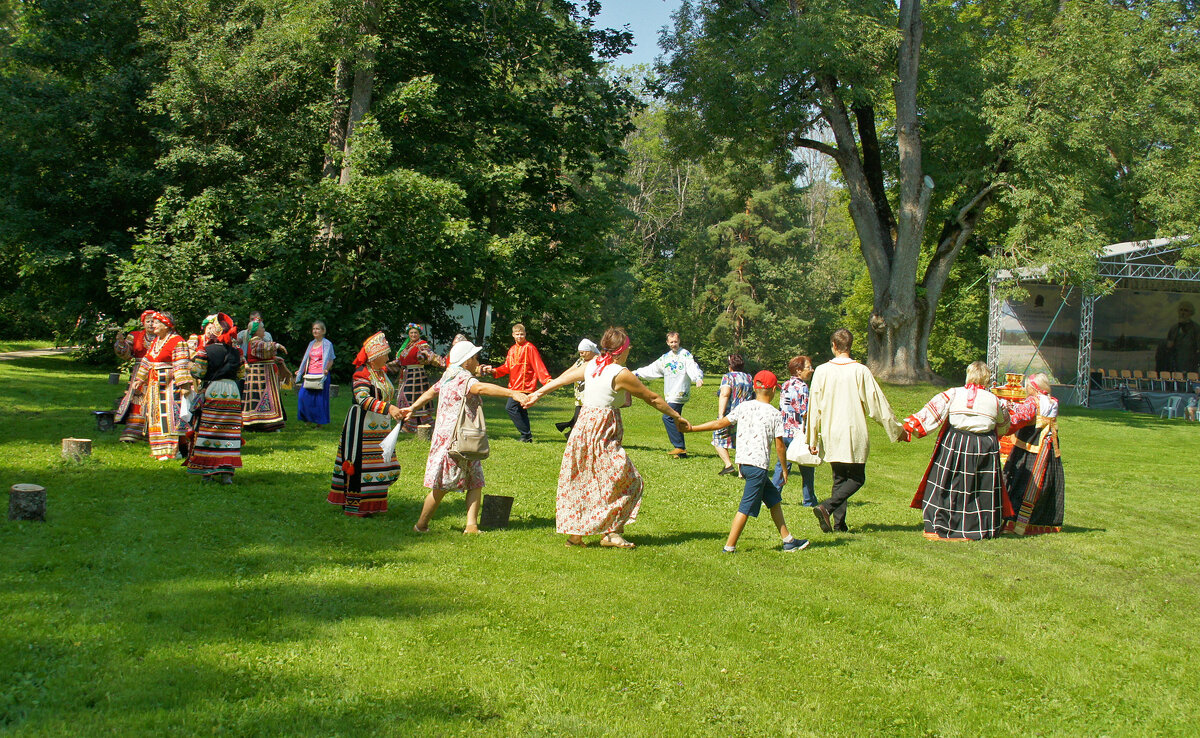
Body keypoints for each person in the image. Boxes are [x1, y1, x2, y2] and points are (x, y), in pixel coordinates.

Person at [526, 327, 687, 548]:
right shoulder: (619, 373)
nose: (630, 349)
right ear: (621, 350)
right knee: (629, 480)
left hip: (582, 428)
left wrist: (538, 393)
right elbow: (652, 397)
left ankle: (578, 535)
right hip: (601, 431)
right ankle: (611, 533)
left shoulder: (592, 365)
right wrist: (676, 415)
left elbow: (563, 379)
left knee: (583, 479)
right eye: (628, 346)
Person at [405, 341, 530, 534]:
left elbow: (431, 392)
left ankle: (471, 526)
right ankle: (421, 524)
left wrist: (413, 407)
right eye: (474, 357)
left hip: (453, 439)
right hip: (458, 440)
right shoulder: (464, 378)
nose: (477, 360)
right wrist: (513, 393)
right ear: (466, 362)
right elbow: (480, 389)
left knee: (474, 481)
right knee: (442, 486)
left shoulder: (448, 376)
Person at [681, 370, 810, 553]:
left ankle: (788, 540)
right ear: (774, 390)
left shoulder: (744, 407)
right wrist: (784, 468)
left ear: (755, 388)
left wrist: (692, 428)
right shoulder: (775, 414)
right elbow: (780, 446)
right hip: (758, 467)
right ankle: (729, 546)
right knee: (746, 506)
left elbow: (720, 423)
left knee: (773, 499)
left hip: (745, 464)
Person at [901, 361, 1013, 541]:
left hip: (956, 442)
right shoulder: (995, 400)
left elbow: (931, 414)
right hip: (984, 446)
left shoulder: (953, 393)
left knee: (947, 483)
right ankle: (978, 526)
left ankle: (939, 524)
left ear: (969, 375)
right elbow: (1004, 426)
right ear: (986, 378)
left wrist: (909, 428)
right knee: (980, 488)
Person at [807, 329, 904, 533]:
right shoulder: (860, 370)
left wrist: (812, 437)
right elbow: (877, 404)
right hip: (853, 429)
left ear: (833, 345)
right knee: (857, 478)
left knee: (840, 478)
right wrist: (896, 429)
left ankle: (839, 524)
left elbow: (813, 405)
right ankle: (827, 507)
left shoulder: (822, 371)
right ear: (849, 346)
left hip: (831, 429)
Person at [328, 332, 405, 517]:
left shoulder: (381, 373)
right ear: (375, 357)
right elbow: (362, 399)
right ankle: (356, 507)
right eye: (385, 354)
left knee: (380, 464)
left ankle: (373, 505)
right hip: (361, 426)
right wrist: (389, 408)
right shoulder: (361, 375)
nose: (387, 357)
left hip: (380, 427)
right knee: (360, 464)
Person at [1002, 373, 1065, 535]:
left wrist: (1002, 423)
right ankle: (1043, 523)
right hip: (1047, 449)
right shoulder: (1053, 401)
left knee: (1022, 483)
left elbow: (1020, 418)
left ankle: (1015, 522)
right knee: (1045, 483)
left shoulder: (1033, 401)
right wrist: (1011, 405)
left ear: (1032, 387)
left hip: (1028, 450)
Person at [185, 314, 243, 484]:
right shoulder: (237, 352)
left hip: (214, 389)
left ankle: (207, 472)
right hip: (232, 392)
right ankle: (227, 473)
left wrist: (191, 367)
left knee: (210, 428)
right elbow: (241, 374)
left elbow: (199, 372)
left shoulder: (205, 350)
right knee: (229, 430)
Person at [633, 331, 705, 458]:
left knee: (668, 417)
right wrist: (636, 373)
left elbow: (692, 366)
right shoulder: (665, 357)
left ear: (679, 341)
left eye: (676, 342)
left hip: (681, 391)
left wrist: (697, 377)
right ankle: (681, 451)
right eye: (671, 342)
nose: (674, 344)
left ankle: (679, 446)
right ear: (667, 343)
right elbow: (653, 368)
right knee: (676, 418)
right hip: (670, 392)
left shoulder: (685, 354)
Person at [132, 312, 193, 460]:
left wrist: (184, 384)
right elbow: (147, 360)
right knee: (156, 416)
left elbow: (181, 364)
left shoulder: (177, 341)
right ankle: (159, 450)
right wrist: (139, 378)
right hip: (155, 386)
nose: (153, 325)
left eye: (157, 323)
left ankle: (173, 451)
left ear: (166, 325)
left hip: (170, 386)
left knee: (170, 418)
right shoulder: (156, 341)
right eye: (152, 322)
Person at [486, 323, 551, 442]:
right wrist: (494, 371)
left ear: (525, 334)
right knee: (521, 410)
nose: (520, 336)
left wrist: (546, 380)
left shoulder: (529, 347)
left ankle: (525, 434)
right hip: (514, 385)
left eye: (522, 334)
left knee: (510, 407)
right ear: (513, 335)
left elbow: (538, 364)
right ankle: (527, 436)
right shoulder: (512, 349)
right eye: (517, 334)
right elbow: (507, 367)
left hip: (525, 384)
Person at [774, 355, 817, 507]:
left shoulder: (785, 385)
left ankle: (772, 497)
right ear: (798, 370)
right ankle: (809, 500)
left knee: (782, 466)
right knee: (807, 468)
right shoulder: (803, 387)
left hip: (784, 431)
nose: (811, 371)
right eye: (808, 368)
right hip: (798, 433)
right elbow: (804, 411)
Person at [392, 323, 445, 432]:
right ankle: (407, 424)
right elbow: (399, 361)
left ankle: (416, 424)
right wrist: (384, 367)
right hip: (406, 374)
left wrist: (442, 362)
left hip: (417, 375)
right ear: (408, 334)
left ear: (419, 334)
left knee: (412, 396)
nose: (413, 334)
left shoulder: (422, 345)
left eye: (415, 332)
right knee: (404, 396)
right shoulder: (406, 346)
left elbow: (430, 356)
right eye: (411, 333)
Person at [114, 309, 155, 443]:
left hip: (156, 372)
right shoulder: (135, 336)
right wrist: (121, 344)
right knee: (137, 399)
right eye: (148, 321)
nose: (150, 324)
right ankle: (134, 430)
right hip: (139, 372)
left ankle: (153, 430)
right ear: (143, 323)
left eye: (153, 321)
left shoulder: (163, 336)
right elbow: (126, 355)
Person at [241, 319, 288, 432]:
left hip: (263, 374)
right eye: (262, 328)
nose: (264, 330)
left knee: (263, 397)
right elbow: (263, 347)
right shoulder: (254, 342)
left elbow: (261, 354)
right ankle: (260, 424)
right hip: (259, 375)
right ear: (256, 331)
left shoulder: (257, 342)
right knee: (259, 398)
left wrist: (274, 358)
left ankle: (265, 424)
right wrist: (277, 345)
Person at [712, 354, 753, 475]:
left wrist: (720, 415)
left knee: (717, 438)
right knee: (741, 441)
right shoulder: (749, 377)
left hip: (731, 414)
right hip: (747, 414)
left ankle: (728, 465)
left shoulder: (728, 377)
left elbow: (725, 394)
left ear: (730, 366)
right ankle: (742, 471)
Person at [554, 339, 599, 437]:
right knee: (579, 416)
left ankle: (572, 434)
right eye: (580, 353)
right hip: (580, 397)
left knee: (581, 418)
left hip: (591, 396)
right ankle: (572, 433)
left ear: (590, 350)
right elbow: (570, 371)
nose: (581, 355)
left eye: (583, 352)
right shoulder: (581, 360)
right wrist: (557, 380)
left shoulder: (597, 360)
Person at [295, 320, 335, 427]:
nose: (315, 331)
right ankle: (308, 419)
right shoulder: (311, 344)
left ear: (323, 331)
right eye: (314, 329)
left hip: (321, 376)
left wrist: (326, 369)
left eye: (317, 329)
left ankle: (319, 423)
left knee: (319, 400)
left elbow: (331, 360)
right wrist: (300, 371)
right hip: (310, 375)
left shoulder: (327, 344)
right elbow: (306, 359)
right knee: (303, 396)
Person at [1164, 300, 1199, 375]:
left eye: (1186, 310)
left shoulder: (1196, 329)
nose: (1183, 313)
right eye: (1181, 310)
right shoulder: (1173, 329)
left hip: (1190, 366)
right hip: (1174, 366)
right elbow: (1168, 346)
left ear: (1191, 313)